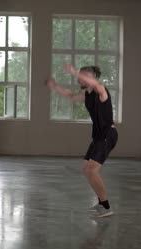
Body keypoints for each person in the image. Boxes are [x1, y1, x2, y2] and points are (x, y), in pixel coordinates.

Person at [46, 64, 118, 217]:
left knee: (91, 170)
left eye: (81, 77)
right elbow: (71, 96)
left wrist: (74, 72)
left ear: (89, 78)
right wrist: (55, 87)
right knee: (86, 168)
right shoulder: (88, 95)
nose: (79, 80)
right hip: (98, 136)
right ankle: (101, 203)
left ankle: (106, 207)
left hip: (107, 135)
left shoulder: (101, 91)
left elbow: (96, 84)